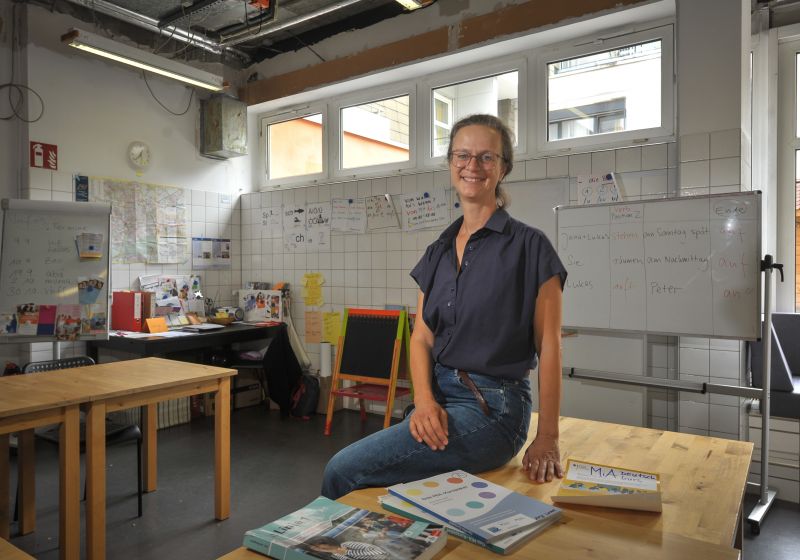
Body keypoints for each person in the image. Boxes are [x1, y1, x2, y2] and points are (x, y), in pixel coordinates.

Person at [321, 114, 567, 500]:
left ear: (503, 168)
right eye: (463, 155)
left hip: (493, 409)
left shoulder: (530, 247)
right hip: (437, 397)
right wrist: (423, 401)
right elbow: (420, 338)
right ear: (451, 163)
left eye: (487, 157)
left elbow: (549, 345)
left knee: (342, 471)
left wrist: (547, 437)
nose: (473, 166)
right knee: (390, 491)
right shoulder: (437, 251)